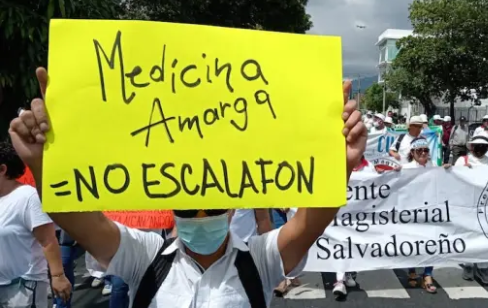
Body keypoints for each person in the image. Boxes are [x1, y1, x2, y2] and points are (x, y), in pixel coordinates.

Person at [8, 68, 367, 308]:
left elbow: (309, 223)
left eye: (211, 207)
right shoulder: (144, 256)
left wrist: (340, 162)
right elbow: (77, 220)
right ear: (170, 208)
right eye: (187, 208)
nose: (200, 216)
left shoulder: (260, 259)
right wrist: (45, 162)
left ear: (231, 208)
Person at [0, 141, 71, 307]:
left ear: (3, 170)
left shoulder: (29, 197)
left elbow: (47, 240)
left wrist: (58, 276)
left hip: (23, 288)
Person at [446, 134, 488, 284]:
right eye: (477, 146)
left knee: (485, 236)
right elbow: (453, 179)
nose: (480, 149)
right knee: (468, 234)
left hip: (484, 205)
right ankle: (468, 265)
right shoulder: (462, 160)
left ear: (487, 148)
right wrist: (451, 169)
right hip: (466, 204)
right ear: (472, 147)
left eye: (483, 146)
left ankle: (482, 268)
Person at [393, 137, 437, 293]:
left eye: (426, 150)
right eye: (419, 150)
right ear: (412, 152)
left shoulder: (434, 167)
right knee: (413, 242)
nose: (423, 153)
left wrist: (448, 170)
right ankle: (412, 271)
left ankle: (427, 275)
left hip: (430, 211)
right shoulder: (406, 167)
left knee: (431, 242)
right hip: (411, 211)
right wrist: (395, 173)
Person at [332, 155, 377, 300]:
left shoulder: (368, 166)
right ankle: (339, 281)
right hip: (342, 212)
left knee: (355, 244)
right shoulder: (337, 163)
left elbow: (377, 186)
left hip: (360, 214)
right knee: (341, 244)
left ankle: (350, 273)